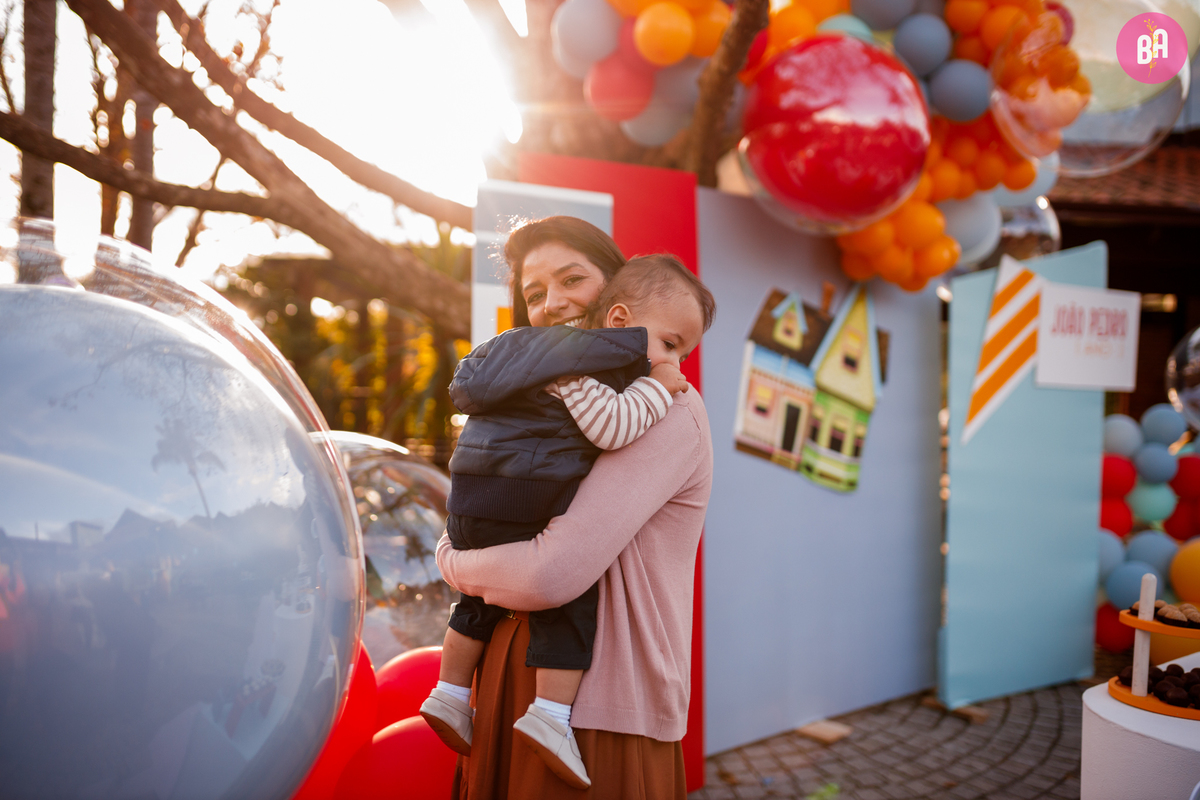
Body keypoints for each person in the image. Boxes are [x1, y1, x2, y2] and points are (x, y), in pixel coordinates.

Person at [436, 216, 716, 799]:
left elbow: (549, 573)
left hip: (600, 700)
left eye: (572, 279)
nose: (553, 304)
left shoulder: (668, 410)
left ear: (618, 295)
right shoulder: (551, 400)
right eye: (535, 294)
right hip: (513, 678)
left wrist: (453, 562)